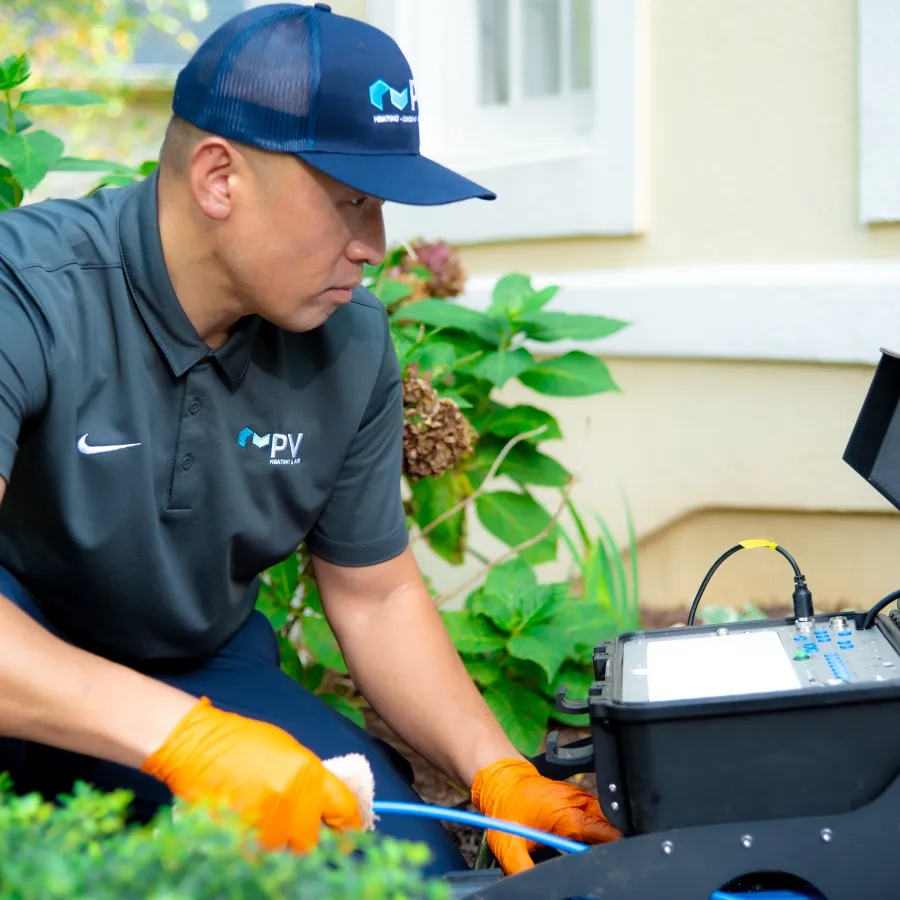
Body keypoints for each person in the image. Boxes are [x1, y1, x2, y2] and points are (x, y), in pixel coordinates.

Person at [0, 1, 618, 879]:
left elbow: (374, 598)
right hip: (23, 663)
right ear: (220, 178)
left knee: (398, 867)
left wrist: (497, 768)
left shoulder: (350, 341)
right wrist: (185, 743)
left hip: (194, 667)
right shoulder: (26, 292)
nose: (373, 247)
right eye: (348, 202)